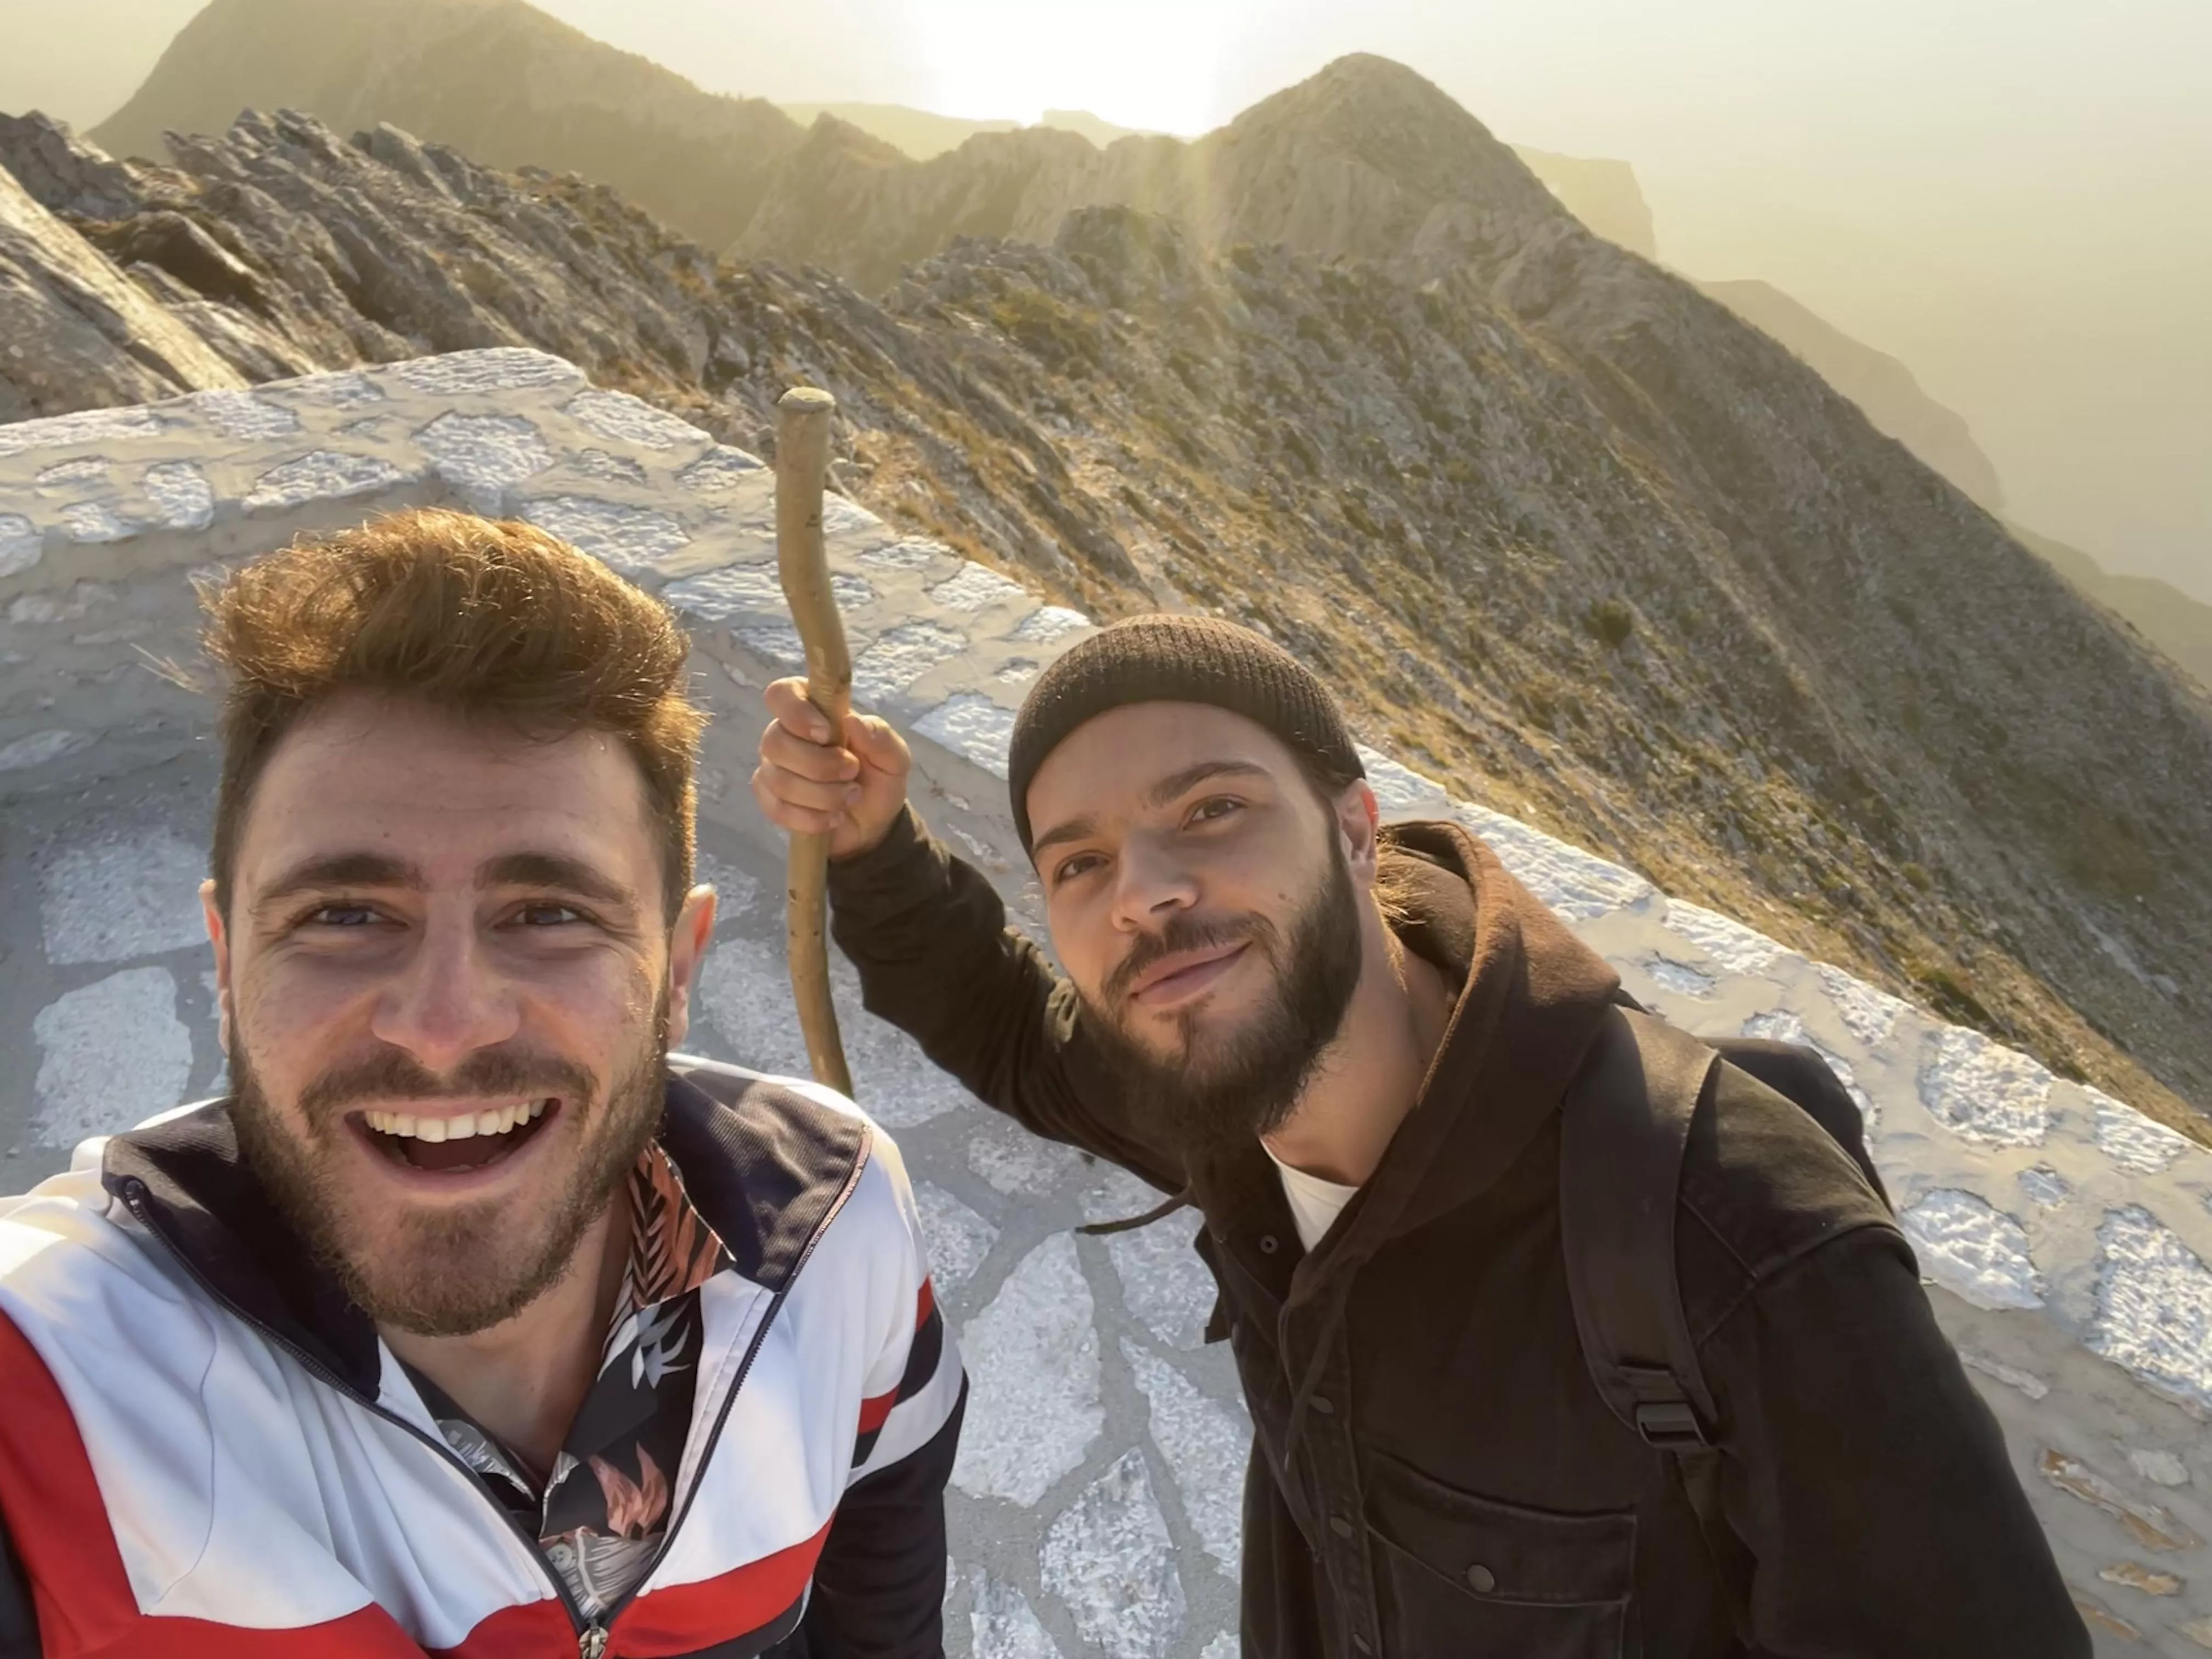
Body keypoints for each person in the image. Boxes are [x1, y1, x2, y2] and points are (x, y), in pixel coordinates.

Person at [752, 613, 2089, 1657]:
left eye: (1211, 810)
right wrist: (873, 846)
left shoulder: (1731, 1235)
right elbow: (1010, 1032)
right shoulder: (1228, 1104)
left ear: (1352, 824)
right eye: (1080, 863)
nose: (1146, 894)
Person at [0, 510, 964, 1657]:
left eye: (550, 914)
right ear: (224, 962)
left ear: (679, 971)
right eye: (344, 915)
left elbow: (886, 1579)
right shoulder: (51, 1392)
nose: (445, 1027)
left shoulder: (837, 1216)